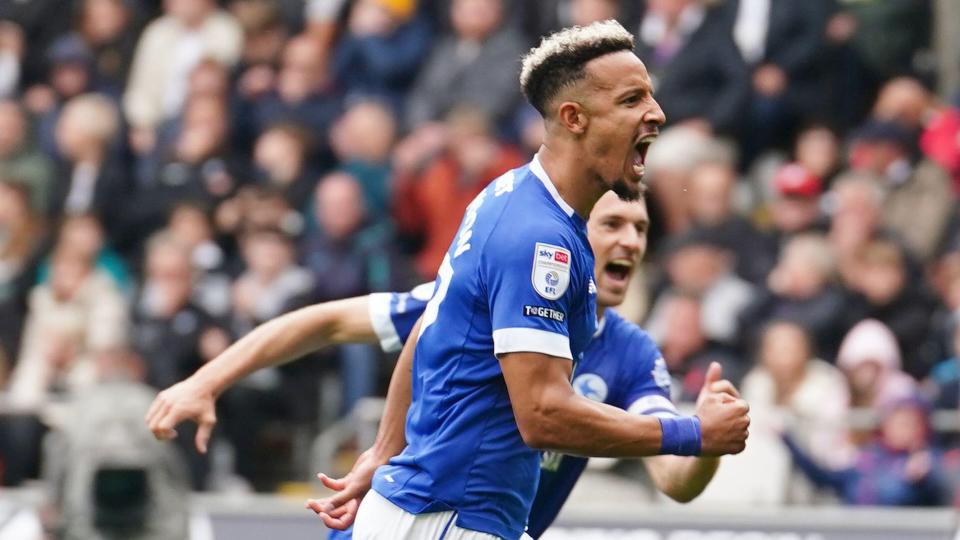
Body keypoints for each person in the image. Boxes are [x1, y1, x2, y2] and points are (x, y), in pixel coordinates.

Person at [147, 190, 737, 538]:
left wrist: (704, 440)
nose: (631, 242)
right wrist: (207, 380)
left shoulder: (631, 353)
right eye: (612, 224)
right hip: (406, 521)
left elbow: (673, 477)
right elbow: (324, 321)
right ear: (573, 238)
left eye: (641, 230)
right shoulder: (486, 297)